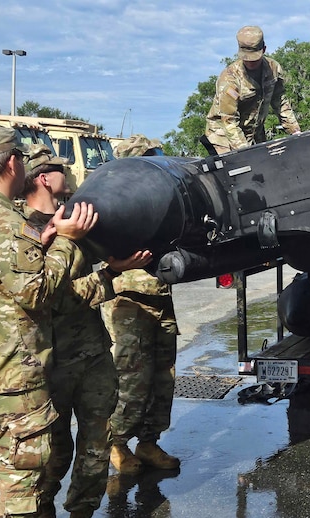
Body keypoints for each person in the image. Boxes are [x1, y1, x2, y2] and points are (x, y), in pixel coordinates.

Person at [0, 126, 97, 518]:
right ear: (12, 163)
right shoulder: (1, 217)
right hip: (11, 379)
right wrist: (66, 244)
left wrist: (44, 239)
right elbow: (34, 291)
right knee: (21, 488)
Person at [21, 144, 151, 518]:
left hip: (92, 355)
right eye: (62, 168)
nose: (71, 175)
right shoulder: (25, 230)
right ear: (44, 177)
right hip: (51, 360)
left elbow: (109, 246)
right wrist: (112, 275)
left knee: (95, 447)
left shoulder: (76, 219)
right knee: (52, 452)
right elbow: (52, 297)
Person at [104, 135, 181, 476]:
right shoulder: (117, 202)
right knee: (132, 379)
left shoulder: (162, 202)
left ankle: (148, 441)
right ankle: (116, 443)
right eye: (151, 158)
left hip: (161, 296)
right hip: (129, 299)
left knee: (164, 376)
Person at [205, 25, 301, 154]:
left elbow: (280, 101)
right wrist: (245, 151)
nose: (250, 62)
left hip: (254, 131)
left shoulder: (273, 69)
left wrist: (295, 131)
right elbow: (228, 120)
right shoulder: (229, 80)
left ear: (264, 49)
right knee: (239, 168)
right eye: (246, 58)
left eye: (254, 58)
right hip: (225, 135)